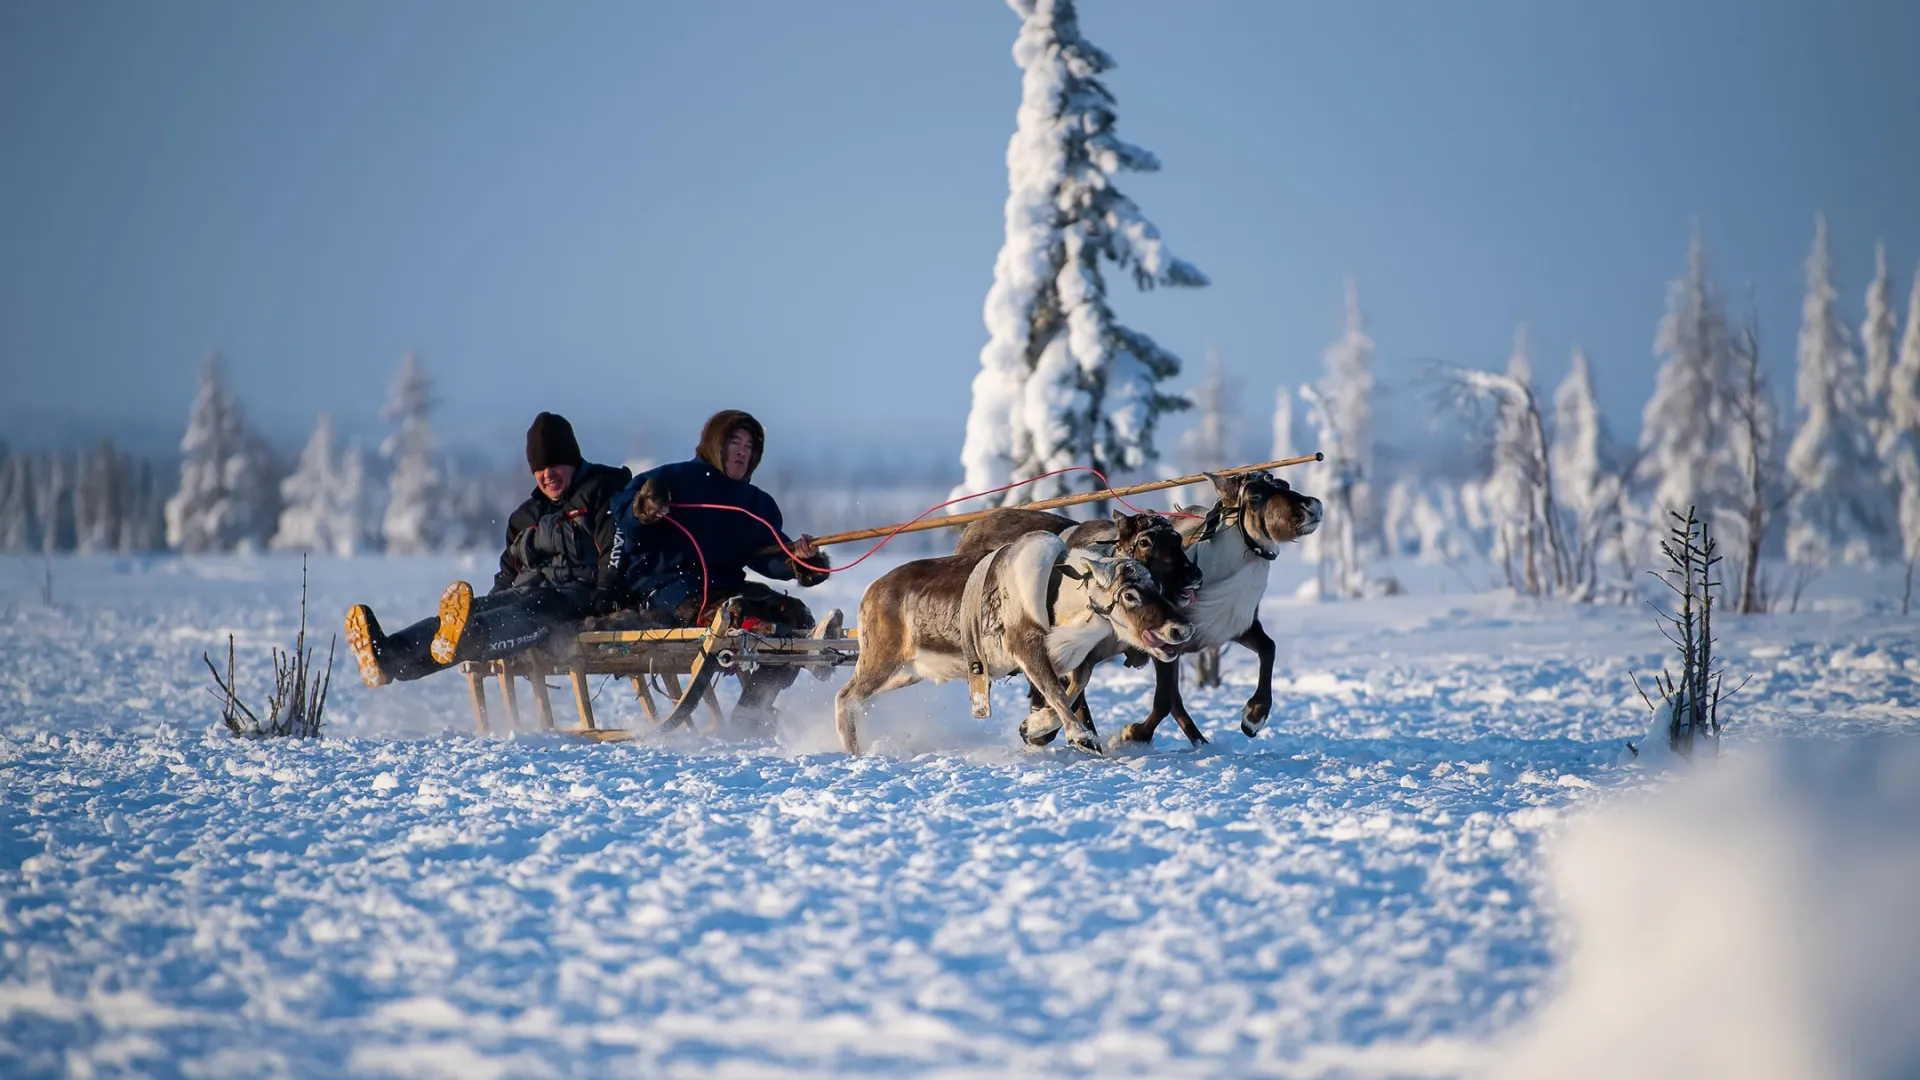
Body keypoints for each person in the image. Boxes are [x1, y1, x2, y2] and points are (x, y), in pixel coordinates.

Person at [344, 412, 632, 687]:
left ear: (572, 460)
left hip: (574, 601)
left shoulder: (601, 493)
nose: (548, 474)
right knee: (468, 614)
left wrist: (607, 598)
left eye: (555, 464)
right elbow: (509, 572)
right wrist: (495, 599)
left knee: (513, 616)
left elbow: (614, 549)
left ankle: (473, 635)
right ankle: (389, 657)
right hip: (527, 591)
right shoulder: (526, 517)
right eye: (540, 469)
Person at [599, 409, 830, 725]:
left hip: (729, 588)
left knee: (793, 614)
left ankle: (753, 709)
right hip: (671, 589)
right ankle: (778, 637)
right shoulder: (672, 479)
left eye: (750, 448)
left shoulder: (754, 503)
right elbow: (627, 522)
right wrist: (645, 509)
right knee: (736, 614)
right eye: (735, 442)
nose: (742, 452)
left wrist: (801, 559)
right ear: (715, 445)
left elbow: (768, 556)